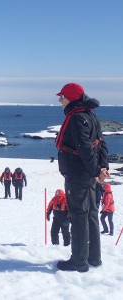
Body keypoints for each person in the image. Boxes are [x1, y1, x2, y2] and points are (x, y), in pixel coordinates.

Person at [54, 83, 109, 273]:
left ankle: (78, 262)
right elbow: (101, 143)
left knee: (78, 216)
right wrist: (102, 168)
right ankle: (94, 258)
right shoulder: (90, 114)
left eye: (62, 96)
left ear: (71, 97)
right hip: (88, 175)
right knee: (92, 215)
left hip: (78, 175)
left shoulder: (77, 117)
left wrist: (96, 171)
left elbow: (85, 149)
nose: (60, 100)